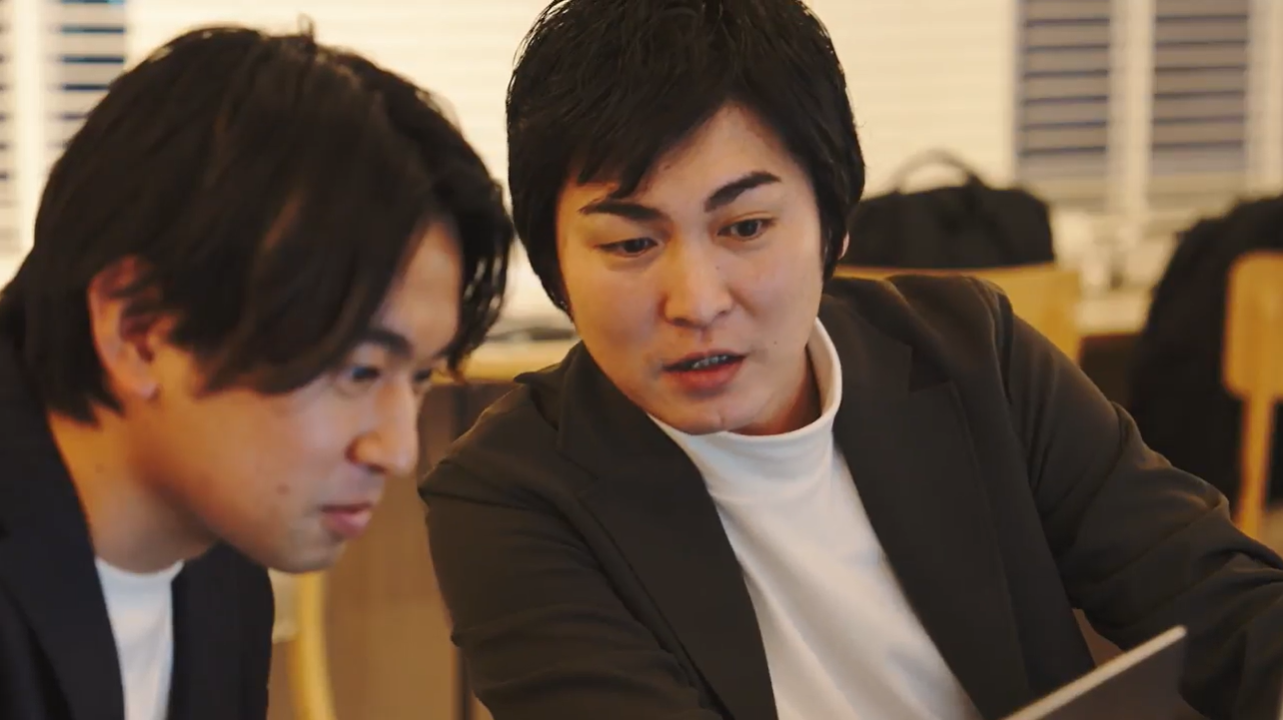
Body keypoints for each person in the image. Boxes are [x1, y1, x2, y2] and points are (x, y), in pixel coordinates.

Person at [420, 1, 1283, 719]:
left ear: (832, 225)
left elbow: (1223, 604)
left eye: (745, 227)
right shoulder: (508, 494)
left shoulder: (968, 351)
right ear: (554, 263)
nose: (697, 299)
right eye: (630, 243)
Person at [0, 25, 511, 720]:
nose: (396, 451)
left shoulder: (222, 561)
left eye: (419, 377)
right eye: (360, 372)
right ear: (139, 331)